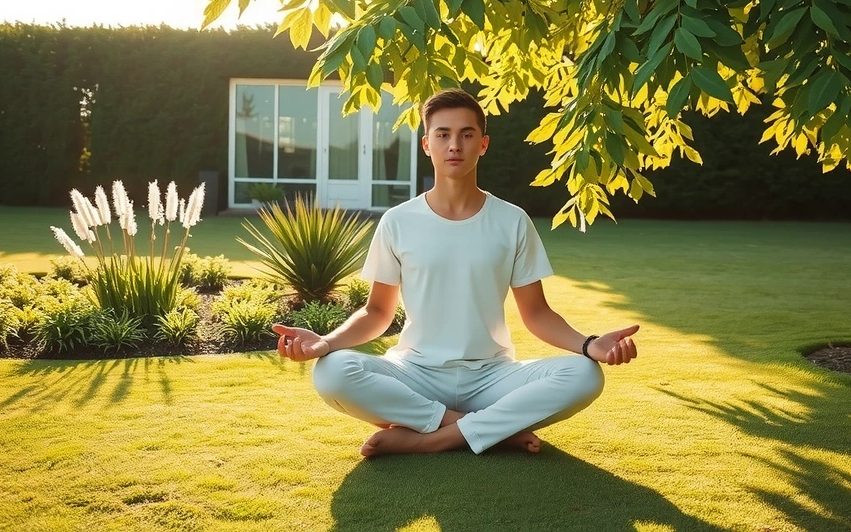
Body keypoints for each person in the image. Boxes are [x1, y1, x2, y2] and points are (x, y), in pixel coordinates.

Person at [273, 88, 639, 457]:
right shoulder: (398, 221)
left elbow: (537, 313)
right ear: (426, 144)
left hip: (492, 377)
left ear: (483, 144)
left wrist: (589, 345)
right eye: (443, 134)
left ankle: (428, 439)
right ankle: (486, 429)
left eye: (466, 134)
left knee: (585, 375)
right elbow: (378, 312)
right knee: (332, 371)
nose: (454, 145)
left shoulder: (512, 221)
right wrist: (326, 343)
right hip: (415, 373)